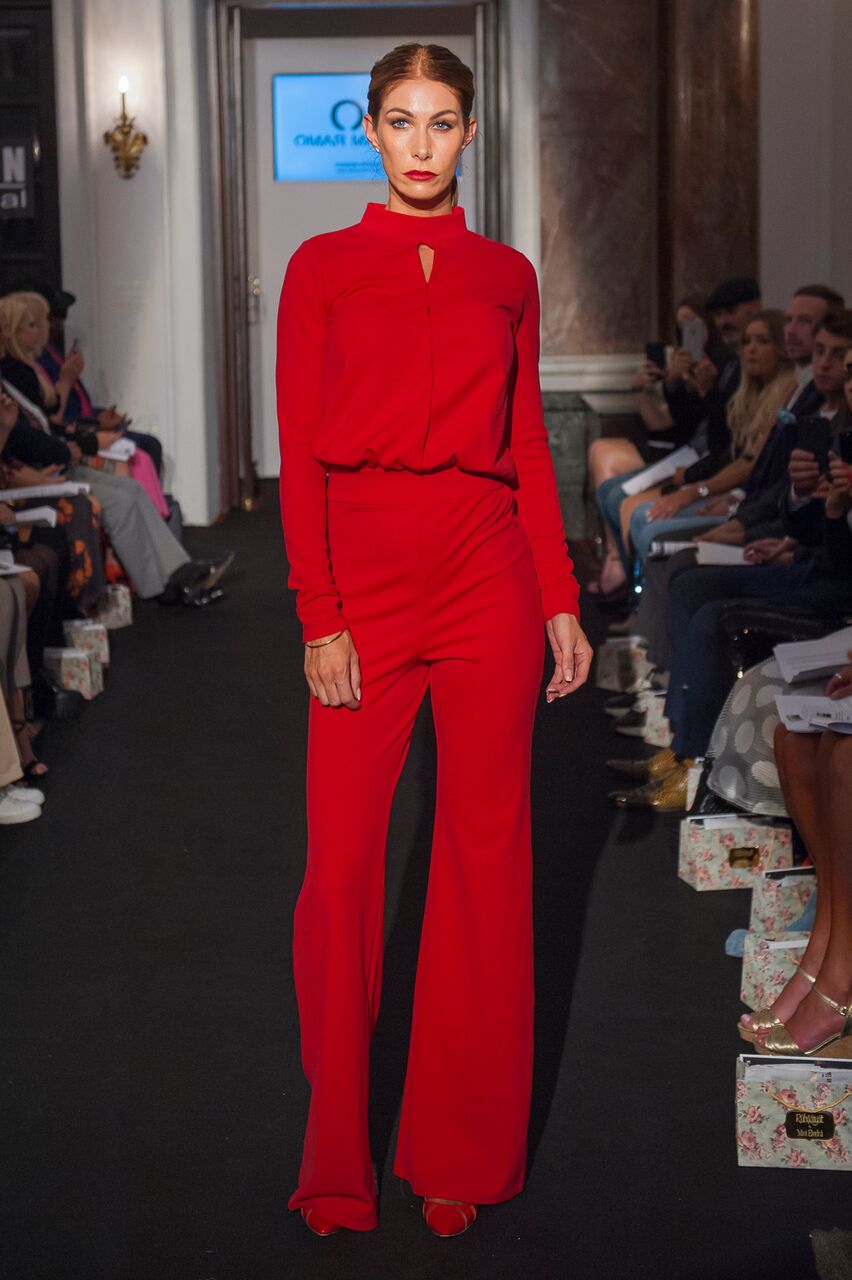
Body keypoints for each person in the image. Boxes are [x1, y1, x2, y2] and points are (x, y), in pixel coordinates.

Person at [276, 42, 592, 1240]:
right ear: (369, 131)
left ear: (467, 133)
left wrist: (558, 594)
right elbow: (299, 449)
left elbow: (525, 446)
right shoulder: (320, 268)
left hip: (485, 578)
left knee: (483, 859)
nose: (420, 143)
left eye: (441, 121)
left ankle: (458, 1143)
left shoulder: (506, 276)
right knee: (342, 869)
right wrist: (318, 612)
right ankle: (337, 1149)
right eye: (400, 121)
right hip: (361, 582)